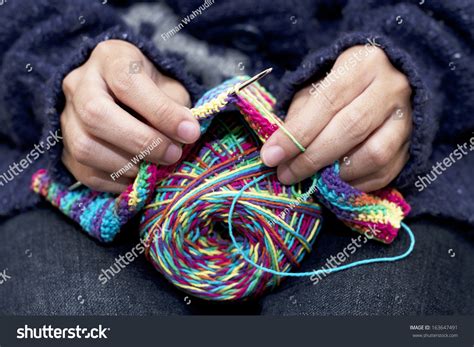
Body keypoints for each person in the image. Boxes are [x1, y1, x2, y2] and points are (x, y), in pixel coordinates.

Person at [0, 0, 472, 315]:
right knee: (67, 309)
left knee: (380, 311)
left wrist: (420, 55)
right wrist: (58, 63)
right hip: (98, 173)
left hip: (383, 168)